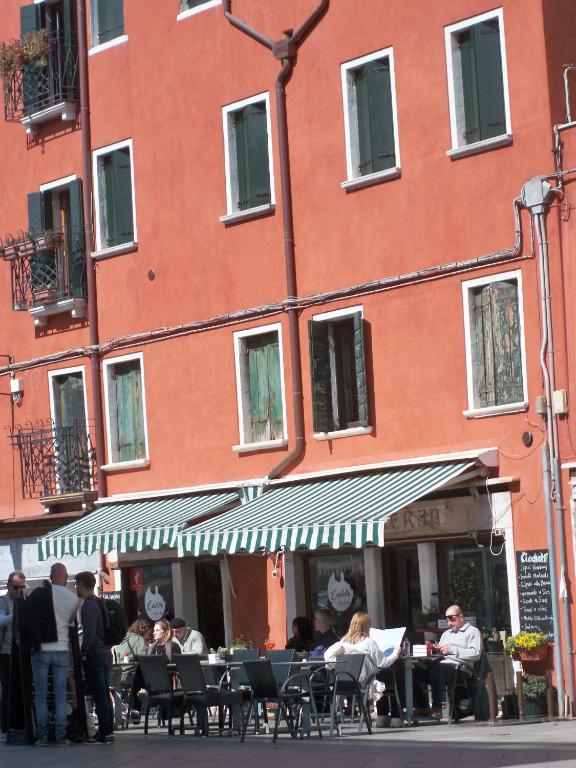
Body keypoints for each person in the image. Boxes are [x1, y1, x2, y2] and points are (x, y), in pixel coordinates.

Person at [22, 564, 78, 747]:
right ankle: (61, 736)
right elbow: (71, 621)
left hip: (41, 650)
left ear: (51, 576)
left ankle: (42, 736)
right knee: (61, 695)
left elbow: (26, 614)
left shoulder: (39, 594)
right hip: (61, 649)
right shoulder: (72, 598)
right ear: (66, 577)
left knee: (41, 695)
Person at [413, 604, 482, 719]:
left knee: (438, 669)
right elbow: (440, 653)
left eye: (452, 618)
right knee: (413, 670)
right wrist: (431, 655)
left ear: (461, 617)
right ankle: (422, 706)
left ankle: (437, 708)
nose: (449, 622)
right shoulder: (446, 634)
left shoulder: (472, 631)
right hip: (441, 666)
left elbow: (476, 653)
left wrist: (452, 650)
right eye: (447, 619)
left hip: (461, 668)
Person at [75, 571, 114, 744]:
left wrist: (83, 653)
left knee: (99, 695)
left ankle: (104, 732)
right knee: (104, 694)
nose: (76, 588)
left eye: (76, 585)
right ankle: (109, 730)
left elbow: (89, 634)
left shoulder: (89, 606)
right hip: (105, 653)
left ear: (81, 585)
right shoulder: (100, 602)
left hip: (95, 655)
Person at [0, 570, 27, 743]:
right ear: (9, 586)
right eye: (16, 587)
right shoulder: (3, 601)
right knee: (7, 690)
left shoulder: (23, 600)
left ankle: (18, 723)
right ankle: (5, 725)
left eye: (22, 587)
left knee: (20, 690)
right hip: (6, 652)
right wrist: (17, 614)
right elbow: (0, 620)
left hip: (21, 652)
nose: (19, 591)